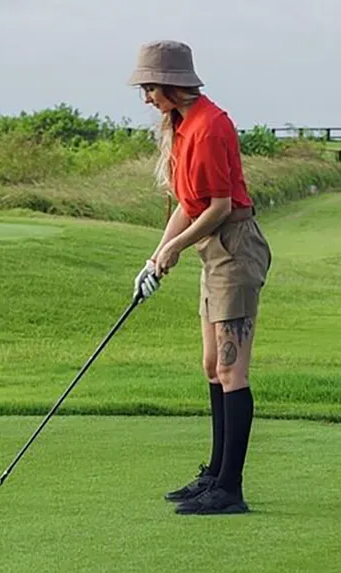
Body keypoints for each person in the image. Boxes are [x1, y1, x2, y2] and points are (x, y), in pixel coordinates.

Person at [129, 40, 272, 515]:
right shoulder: (182, 126)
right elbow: (188, 205)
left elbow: (219, 208)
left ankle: (230, 489)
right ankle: (214, 474)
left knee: (233, 370)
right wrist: (155, 258)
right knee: (212, 365)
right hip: (213, 251)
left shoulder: (210, 127)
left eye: (150, 87)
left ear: (172, 85)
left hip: (235, 250)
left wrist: (174, 249)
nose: (146, 97)